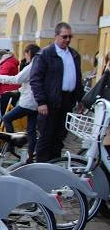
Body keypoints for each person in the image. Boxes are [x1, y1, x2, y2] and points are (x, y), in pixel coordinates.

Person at [30, 22, 83, 162]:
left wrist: (81, 99)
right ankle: (41, 168)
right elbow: (36, 79)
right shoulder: (45, 54)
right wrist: (41, 102)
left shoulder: (74, 55)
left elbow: (78, 78)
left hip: (67, 100)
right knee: (46, 137)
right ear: (56, 36)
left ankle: (54, 167)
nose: (67, 40)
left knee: (59, 138)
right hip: (50, 101)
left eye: (70, 37)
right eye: (64, 36)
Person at [0, 44, 41, 161]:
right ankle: (30, 156)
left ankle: (11, 144)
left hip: (28, 102)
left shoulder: (31, 66)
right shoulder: (38, 65)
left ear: (29, 53)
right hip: (35, 102)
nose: (25, 57)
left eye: (26, 54)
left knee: (7, 118)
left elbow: (17, 79)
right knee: (31, 130)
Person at [0, 50, 20, 115]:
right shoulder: (10, 61)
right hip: (12, 89)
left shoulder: (7, 63)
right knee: (9, 111)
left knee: (5, 112)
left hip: (7, 91)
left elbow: (1, 74)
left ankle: (5, 124)